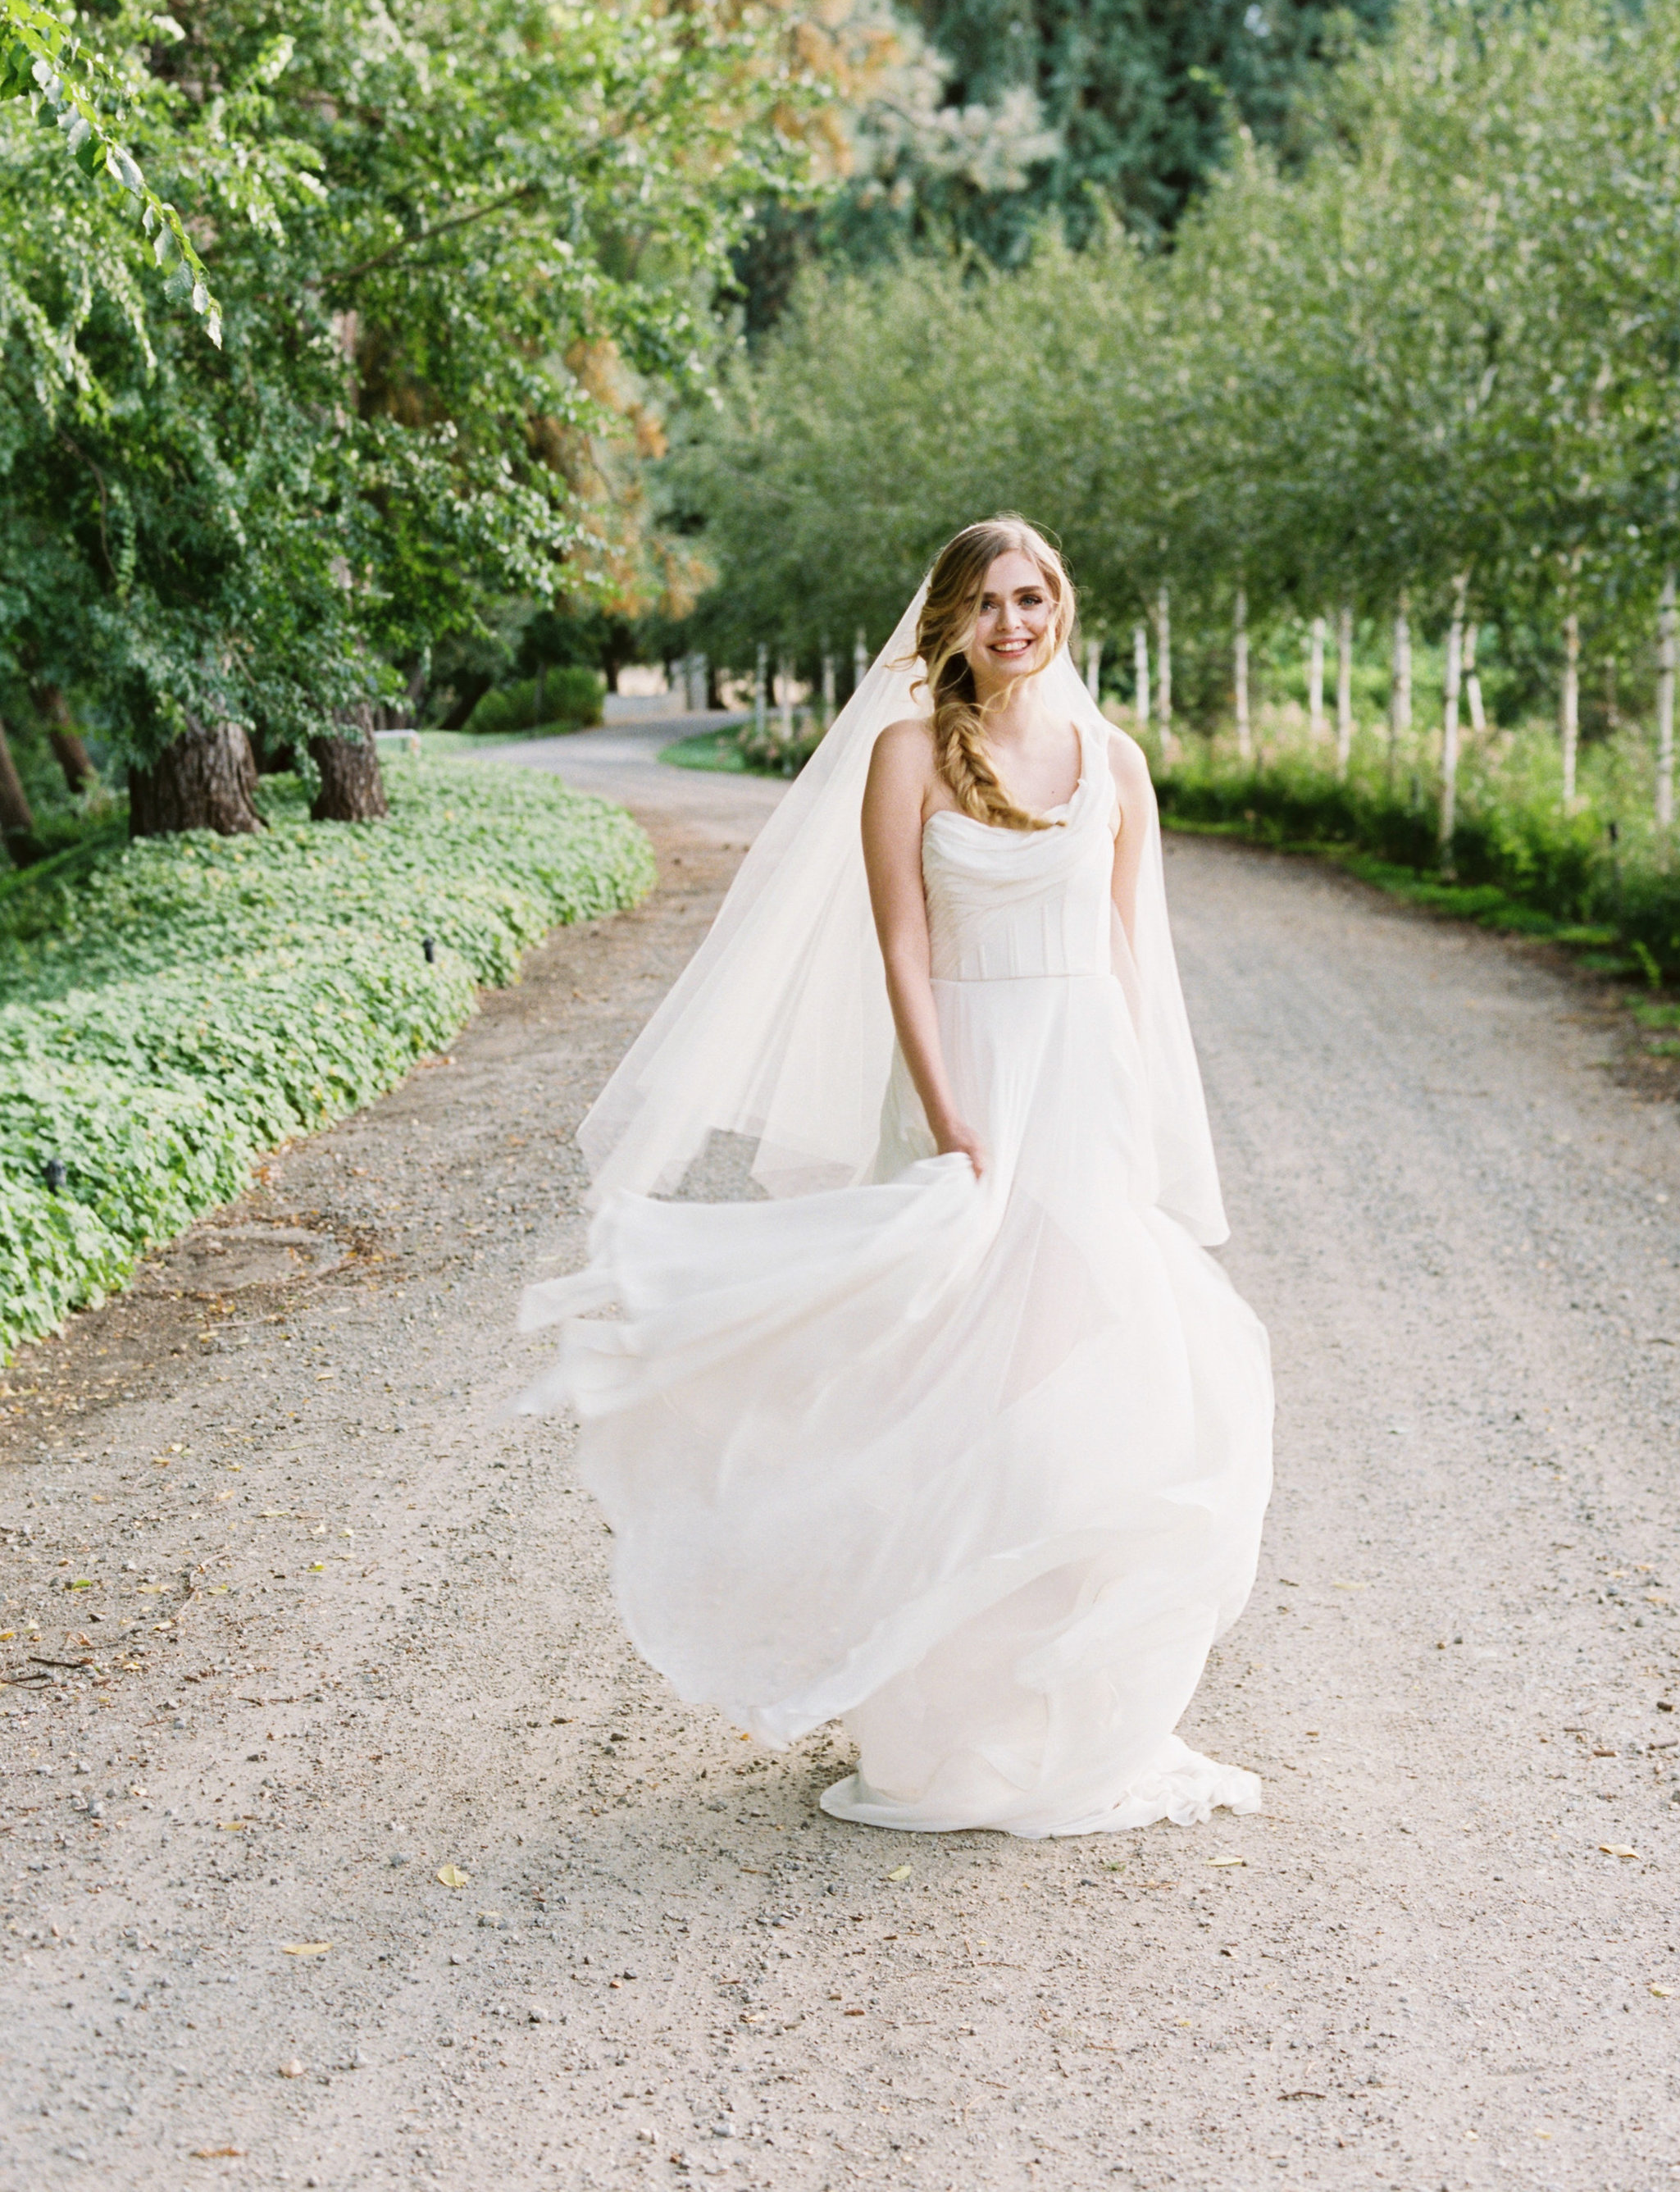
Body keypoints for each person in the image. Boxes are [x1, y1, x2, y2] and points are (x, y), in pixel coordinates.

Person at [519, 517, 1272, 1836]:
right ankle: (942, 1722)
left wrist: (1147, 1131)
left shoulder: (1118, 764)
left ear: (1062, 605)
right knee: (953, 1383)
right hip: (970, 1081)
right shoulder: (907, 752)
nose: (1014, 621)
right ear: (951, 621)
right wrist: (952, 1118)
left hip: (1086, 1094)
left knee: (1090, 1383)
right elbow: (903, 952)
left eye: (1032, 596)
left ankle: (1069, 1711)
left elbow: (1133, 963)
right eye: (986, 602)